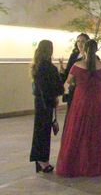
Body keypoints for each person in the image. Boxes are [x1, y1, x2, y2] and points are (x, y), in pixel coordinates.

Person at [56, 39, 101, 177]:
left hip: (81, 100)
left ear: (84, 50)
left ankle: (75, 163)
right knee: (94, 132)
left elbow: (69, 80)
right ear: (96, 50)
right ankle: (91, 164)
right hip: (97, 101)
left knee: (77, 131)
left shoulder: (77, 65)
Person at [30, 40, 64, 173]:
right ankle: (43, 162)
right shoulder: (49, 67)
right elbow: (59, 88)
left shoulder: (37, 66)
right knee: (44, 133)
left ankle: (40, 160)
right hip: (47, 103)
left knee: (39, 131)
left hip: (39, 102)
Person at [59, 33, 89, 109]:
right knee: (71, 112)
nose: (80, 43)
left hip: (84, 91)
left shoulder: (92, 57)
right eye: (78, 41)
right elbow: (68, 72)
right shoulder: (74, 55)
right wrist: (62, 69)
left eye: (83, 41)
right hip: (73, 89)